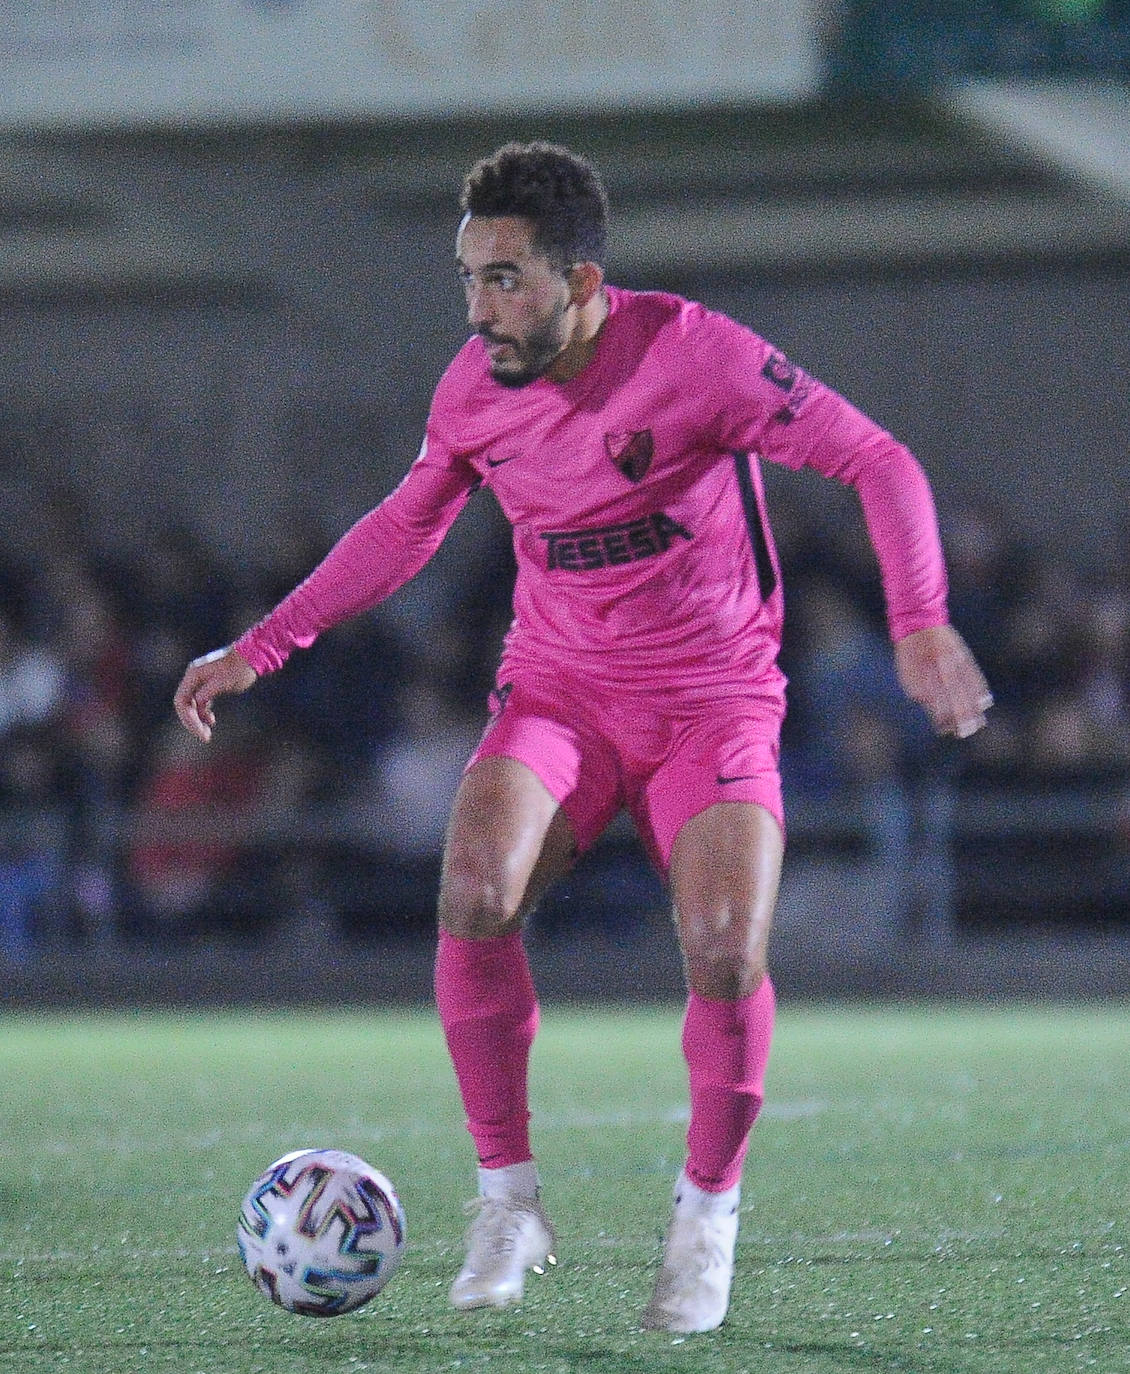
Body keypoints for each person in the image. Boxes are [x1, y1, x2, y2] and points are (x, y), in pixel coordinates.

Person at [173, 141, 992, 1334]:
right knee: (471, 889)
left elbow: (877, 458)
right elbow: (405, 527)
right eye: (467, 279)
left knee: (720, 951)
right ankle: (507, 1199)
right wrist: (268, 641)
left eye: (504, 279)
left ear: (582, 279)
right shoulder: (471, 388)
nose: (479, 309)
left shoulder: (695, 355)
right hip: (558, 694)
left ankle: (705, 1215)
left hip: (711, 699)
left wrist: (918, 623)